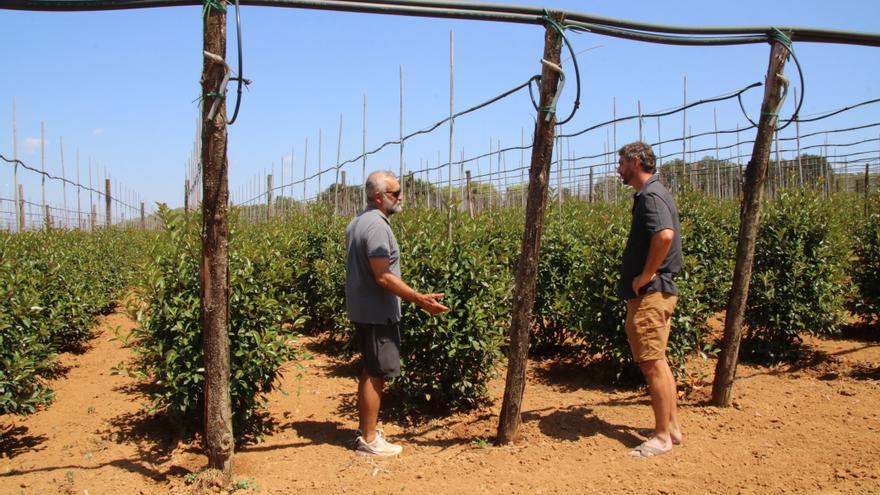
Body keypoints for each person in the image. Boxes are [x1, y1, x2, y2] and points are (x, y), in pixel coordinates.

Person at [345, 170, 449, 457]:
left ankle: (367, 431)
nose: (401, 197)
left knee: (370, 369)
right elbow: (383, 276)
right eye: (395, 193)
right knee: (376, 373)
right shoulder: (377, 226)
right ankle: (368, 439)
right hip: (377, 313)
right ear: (378, 197)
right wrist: (420, 299)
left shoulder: (358, 222)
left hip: (364, 309)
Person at [616, 141, 684, 458]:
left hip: (651, 295)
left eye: (621, 162)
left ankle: (661, 438)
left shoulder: (651, 196)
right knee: (660, 361)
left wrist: (645, 276)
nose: (618, 168)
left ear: (634, 161)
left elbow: (665, 235)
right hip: (658, 292)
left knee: (652, 363)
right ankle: (670, 427)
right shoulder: (653, 193)